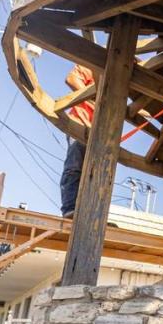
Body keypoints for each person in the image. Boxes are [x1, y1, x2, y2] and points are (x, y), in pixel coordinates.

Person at [60, 64, 96, 218]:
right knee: (75, 167)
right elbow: (71, 79)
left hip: (99, 132)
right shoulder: (95, 62)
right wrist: (96, 101)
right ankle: (69, 208)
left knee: (95, 174)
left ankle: (90, 213)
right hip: (80, 123)